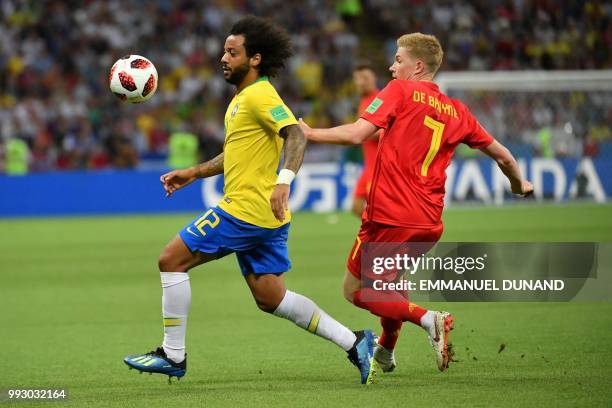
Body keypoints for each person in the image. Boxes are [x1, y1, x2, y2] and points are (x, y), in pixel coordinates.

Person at [123, 16, 376, 385]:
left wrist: (284, 181)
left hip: (247, 209)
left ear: (254, 58)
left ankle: (172, 354)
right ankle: (355, 342)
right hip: (266, 217)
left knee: (170, 259)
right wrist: (193, 172)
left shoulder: (261, 95)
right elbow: (235, 154)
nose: (223, 58)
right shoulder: (242, 100)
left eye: (232, 52)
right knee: (271, 297)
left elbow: (295, 135)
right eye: (224, 51)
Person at [299, 33, 534, 373]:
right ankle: (386, 351)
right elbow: (504, 157)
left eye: (398, 60)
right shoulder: (458, 111)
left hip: (390, 215)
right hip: (429, 224)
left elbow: (355, 134)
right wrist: (518, 185)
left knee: (355, 291)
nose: (391, 67)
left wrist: (310, 134)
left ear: (418, 66)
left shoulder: (400, 91)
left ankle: (428, 319)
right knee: (392, 284)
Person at [350, 64, 380, 218]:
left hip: (379, 167)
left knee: (378, 209)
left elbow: (387, 129)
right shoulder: (365, 100)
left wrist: (362, 132)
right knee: (356, 206)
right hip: (368, 166)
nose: (361, 82)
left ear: (374, 78)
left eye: (365, 78)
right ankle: (378, 233)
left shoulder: (379, 99)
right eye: (358, 78)